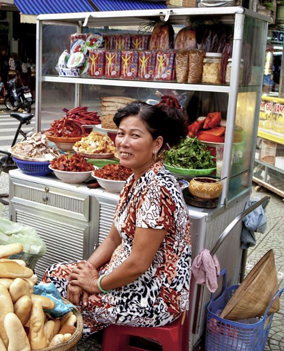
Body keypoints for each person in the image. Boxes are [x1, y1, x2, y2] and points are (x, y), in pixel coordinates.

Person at [43, 102, 191, 336]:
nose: (123, 142)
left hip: (155, 293)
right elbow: (113, 240)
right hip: (125, 275)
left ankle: (60, 338)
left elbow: (138, 264)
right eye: (121, 134)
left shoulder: (158, 189)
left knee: (71, 301)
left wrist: (96, 284)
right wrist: (84, 273)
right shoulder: (134, 179)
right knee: (57, 276)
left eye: (135, 135)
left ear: (157, 144)